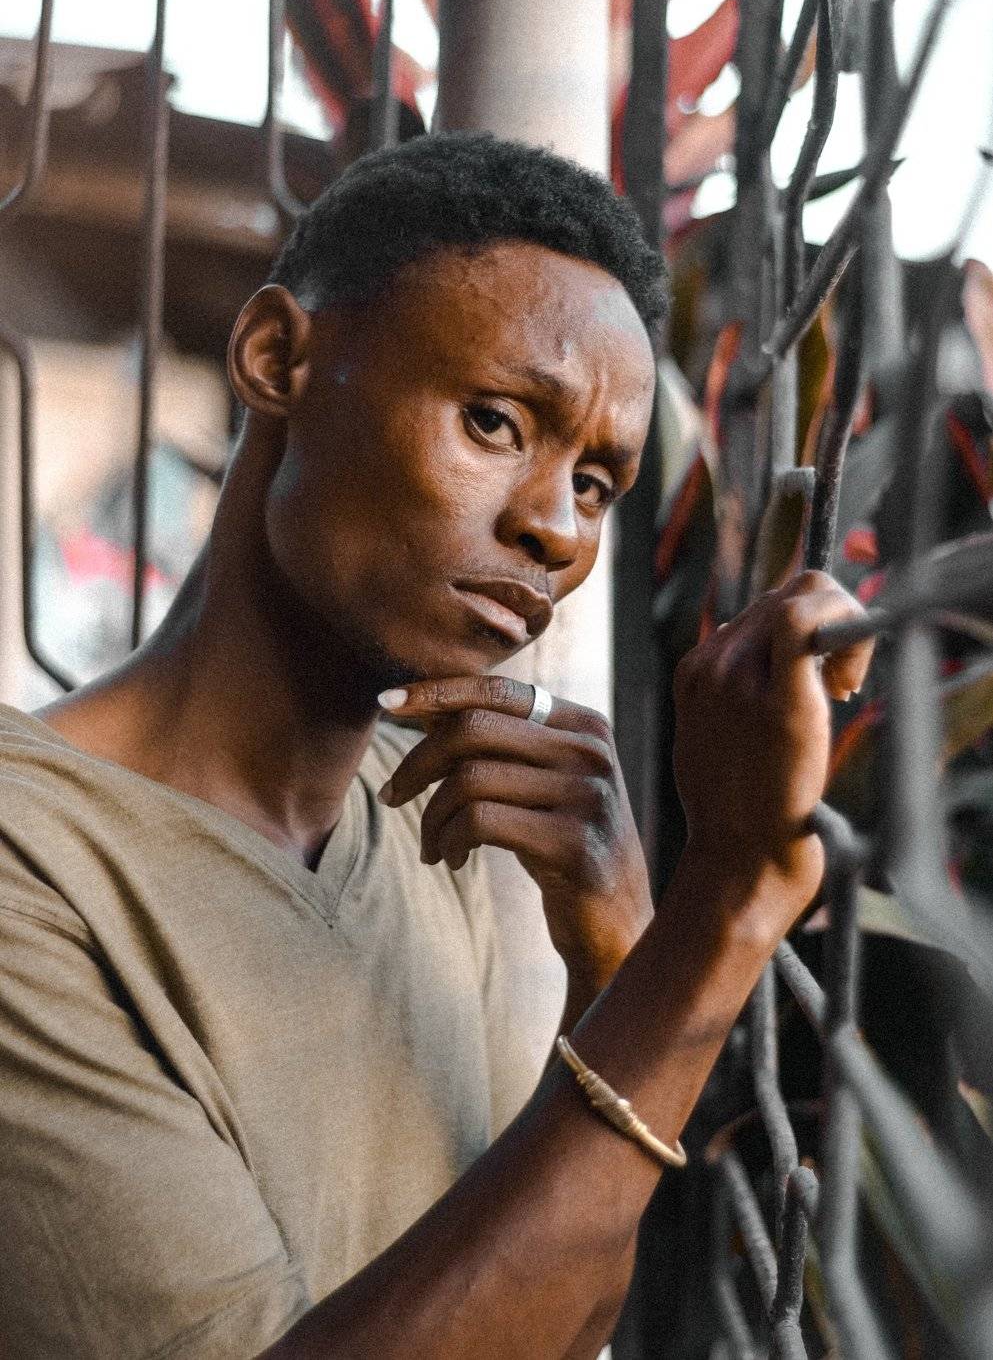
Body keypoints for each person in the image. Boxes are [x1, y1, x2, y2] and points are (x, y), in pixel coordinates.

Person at [0, 132, 870, 1359]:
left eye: (598, 484)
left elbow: (548, 1325)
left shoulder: (433, 809)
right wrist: (720, 916)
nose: (556, 529)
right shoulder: (29, 864)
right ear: (276, 359)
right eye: (495, 421)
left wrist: (617, 973)